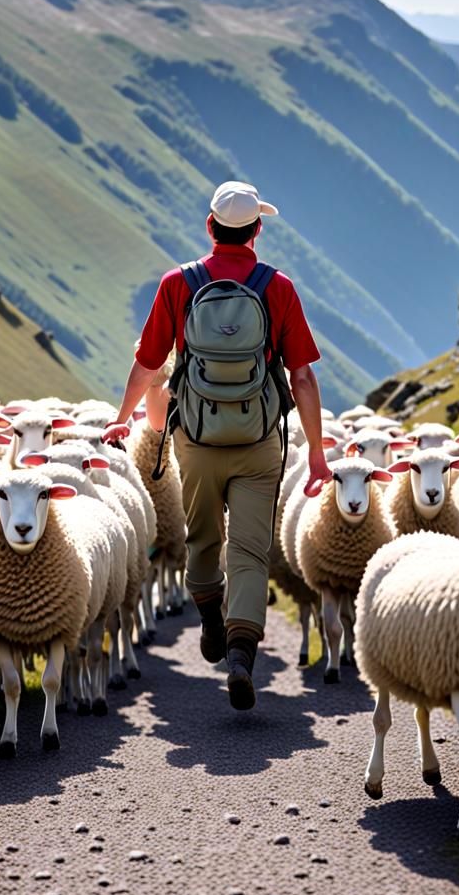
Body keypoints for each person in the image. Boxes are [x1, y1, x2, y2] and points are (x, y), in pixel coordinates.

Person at [103, 181, 332, 710]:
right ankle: (242, 654)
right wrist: (316, 454)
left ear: (210, 227)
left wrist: (123, 420)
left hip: (197, 439)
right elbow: (303, 378)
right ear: (257, 230)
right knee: (251, 550)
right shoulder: (278, 287)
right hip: (258, 441)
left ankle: (209, 615)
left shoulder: (178, 283)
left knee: (202, 537)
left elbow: (150, 364)